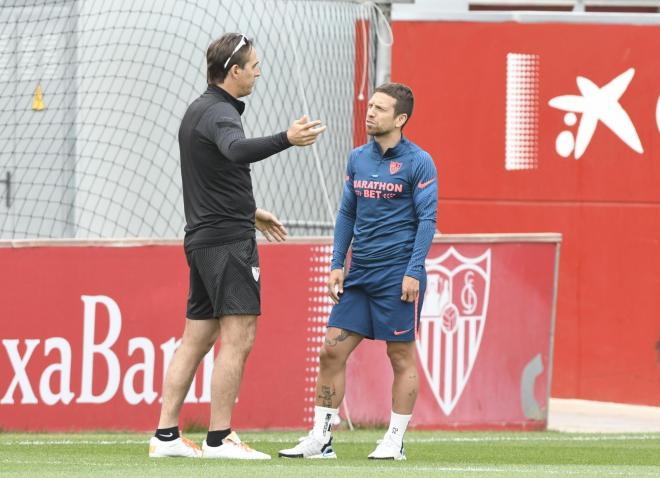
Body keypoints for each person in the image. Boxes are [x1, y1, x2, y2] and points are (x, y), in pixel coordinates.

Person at [148, 33, 326, 460]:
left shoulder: (198, 109)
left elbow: (213, 179)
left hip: (205, 238)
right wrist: (287, 138)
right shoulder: (222, 114)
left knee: (196, 338)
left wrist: (251, 211)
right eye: (254, 65)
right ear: (234, 71)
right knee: (240, 335)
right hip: (227, 244)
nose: (258, 71)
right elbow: (235, 151)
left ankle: (166, 436)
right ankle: (220, 437)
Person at [279, 83, 437, 461]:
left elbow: (427, 218)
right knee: (330, 353)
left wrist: (414, 270)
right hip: (359, 276)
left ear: (400, 119)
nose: (370, 112)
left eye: (380, 109)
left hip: (398, 276)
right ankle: (321, 439)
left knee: (400, 357)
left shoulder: (419, 162)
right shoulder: (357, 158)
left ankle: (394, 441)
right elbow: (347, 212)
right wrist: (337, 263)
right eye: (370, 106)